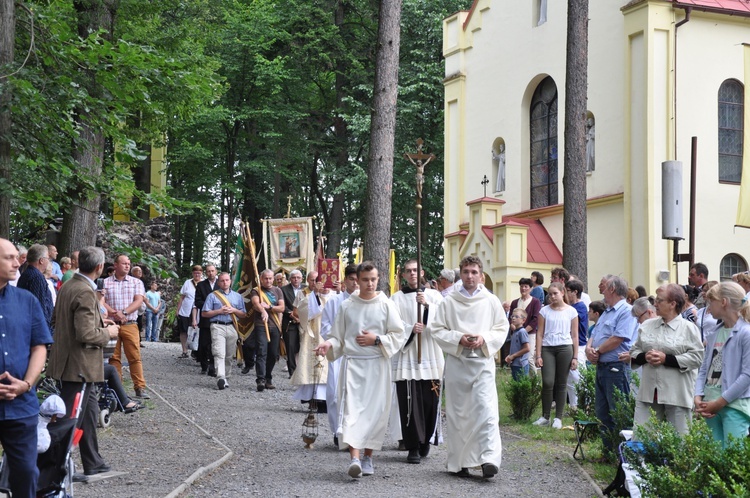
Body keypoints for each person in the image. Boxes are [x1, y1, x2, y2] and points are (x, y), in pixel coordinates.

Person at [314, 262, 405, 479]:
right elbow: (338, 336)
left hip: (377, 365)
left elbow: (398, 335)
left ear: (379, 278)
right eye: (365, 280)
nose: (370, 283)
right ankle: (354, 458)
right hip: (354, 364)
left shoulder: (386, 305)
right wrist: (328, 344)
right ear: (357, 280)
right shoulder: (348, 305)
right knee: (352, 411)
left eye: (373, 279)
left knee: (374, 413)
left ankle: (368, 457)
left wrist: (377, 339)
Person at [429, 255, 507, 479]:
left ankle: (488, 459)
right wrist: (458, 338)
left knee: (486, 411)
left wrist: (484, 338)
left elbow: (501, 328)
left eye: (474, 272)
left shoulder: (490, 301)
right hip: (457, 364)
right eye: (466, 272)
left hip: (482, 363)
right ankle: (460, 462)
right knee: (459, 415)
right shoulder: (449, 301)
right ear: (460, 274)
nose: (470, 276)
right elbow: (437, 329)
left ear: (481, 275)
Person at [48, 246, 120, 481]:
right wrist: (108, 331)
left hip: (75, 364)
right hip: (78, 366)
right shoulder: (86, 292)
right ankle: (53, 468)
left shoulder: (68, 285)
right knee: (70, 417)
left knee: (89, 412)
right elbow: (86, 334)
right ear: (99, 267)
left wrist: (100, 322)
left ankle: (93, 462)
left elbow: (60, 320)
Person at [0, 238, 53, 498]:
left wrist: (27, 383)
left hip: (21, 406)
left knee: (27, 474)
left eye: (16, 256)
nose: (17, 262)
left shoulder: (26, 301)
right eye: (8, 257)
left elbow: (39, 347)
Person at [622, 284, 704, 436]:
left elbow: (697, 357)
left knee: (681, 441)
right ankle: (641, 461)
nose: (655, 304)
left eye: (660, 301)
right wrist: (644, 357)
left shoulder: (688, 328)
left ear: (673, 304)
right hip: (649, 391)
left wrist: (666, 359)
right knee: (641, 437)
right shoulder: (647, 325)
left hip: (677, 393)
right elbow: (634, 350)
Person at [390, 259, 444, 464]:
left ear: (421, 273)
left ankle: (425, 441)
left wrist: (428, 307)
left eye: (415, 270)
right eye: (408, 271)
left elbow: (444, 321)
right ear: (403, 275)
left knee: (430, 402)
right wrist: (410, 329)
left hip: (430, 353)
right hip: (408, 356)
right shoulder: (395, 299)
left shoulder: (435, 296)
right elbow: (392, 325)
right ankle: (412, 445)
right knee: (410, 402)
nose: (412, 274)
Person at [585, 275, 638, 452]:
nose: (602, 291)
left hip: (616, 367)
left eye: (605, 287)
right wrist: (589, 349)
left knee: (618, 411)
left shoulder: (626, 311)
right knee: (602, 412)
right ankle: (607, 452)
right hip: (602, 366)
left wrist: (597, 352)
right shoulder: (607, 311)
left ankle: (621, 454)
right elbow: (595, 334)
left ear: (613, 289)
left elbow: (618, 338)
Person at [694, 282, 750, 447]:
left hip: (734, 406)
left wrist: (719, 403)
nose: (708, 308)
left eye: (711, 302)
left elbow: (747, 375)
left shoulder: (746, 333)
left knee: (733, 459)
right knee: (715, 459)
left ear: (723, 302)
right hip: (710, 404)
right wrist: (698, 396)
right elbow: (704, 369)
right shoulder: (714, 334)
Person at [320, 264, 358, 445]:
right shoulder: (335, 302)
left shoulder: (366, 301)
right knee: (335, 393)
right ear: (345, 281)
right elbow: (325, 325)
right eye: (352, 279)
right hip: (339, 352)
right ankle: (337, 430)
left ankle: (355, 432)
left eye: (359, 279)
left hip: (359, 353)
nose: (355, 283)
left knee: (355, 394)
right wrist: (338, 338)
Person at [103, 254, 149, 399]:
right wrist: (114, 313)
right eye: (124, 263)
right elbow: (101, 301)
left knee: (134, 356)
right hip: (112, 325)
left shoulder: (136, 282)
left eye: (129, 263)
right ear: (115, 265)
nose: (127, 266)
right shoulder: (105, 282)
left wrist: (123, 313)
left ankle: (140, 387)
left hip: (130, 323)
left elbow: (138, 301)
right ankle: (118, 388)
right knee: (113, 358)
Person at [534, 282, 578, 429]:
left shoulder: (571, 311)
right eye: (550, 294)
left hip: (565, 348)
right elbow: (539, 333)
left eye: (555, 293)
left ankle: (558, 417)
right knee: (547, 381)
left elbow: (575, 335)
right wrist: (538, 354)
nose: (552, 296)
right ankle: (545, 416)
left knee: (562, 382)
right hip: (547, 348)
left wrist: (575, 357)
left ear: (562, 292)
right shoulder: (544, 311)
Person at [290, 271, 330, 409]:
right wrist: (315, 295)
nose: (315, 283)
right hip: (312, 335)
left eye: (317, 280)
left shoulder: (334, 295)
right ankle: (313, 398)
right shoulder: (306, 295)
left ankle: (327, 399)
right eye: (312, 280)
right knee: (313, 365)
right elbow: (301, 311)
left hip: (329, 337)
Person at [201, 272, 247, 390]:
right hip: (217, 326)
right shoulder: (212, 296)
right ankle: (220, 377)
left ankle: (226, 376)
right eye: (222, 280)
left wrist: (233, 310)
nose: (225, 282)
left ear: (230, 281)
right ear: (218, 282)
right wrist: (219, 311)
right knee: (218, 352)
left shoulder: (237, 296)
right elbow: (205, 313)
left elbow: (243, 314)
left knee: (229, 354)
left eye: (227, 280)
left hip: (232, 327)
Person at [250, 269, 285, 391]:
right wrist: (263, 310)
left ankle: (268, 377)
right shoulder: (256, 290)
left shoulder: (278, 290)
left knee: (273, 354)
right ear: (261, 279)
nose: (268, 280)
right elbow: (256, 303)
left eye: (270, 278)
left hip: (274, 325)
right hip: (261, 325)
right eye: (266, 278)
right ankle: (260, 379)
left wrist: (269, 307)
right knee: (261, 351)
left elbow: (281, 308)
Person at [509, 278, 542, 375]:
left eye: (526, 286)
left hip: (530, 333)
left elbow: (535, 319)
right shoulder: (515, 302)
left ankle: (534, 382)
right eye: (521, 286)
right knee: (517, 357)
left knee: (529, 357)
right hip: (515, 334)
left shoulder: (535, 302)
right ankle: (520, 379)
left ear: (531, 288)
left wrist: (523, 330)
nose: (523, 288)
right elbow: (510, 317)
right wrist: (511, 325)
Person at [17, 243, 54, 330]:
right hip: (37, 329)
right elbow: (39, 307)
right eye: (47, 259)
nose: (48, 261)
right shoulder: (37, 277)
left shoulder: (25, 274)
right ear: (41, 260)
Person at [565, 279, 589, 410]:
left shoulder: (580, 307)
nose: (566, 294)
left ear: (575, 292)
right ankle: (573, 405)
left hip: (579, 344)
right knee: (570, 377)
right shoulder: (571, 307)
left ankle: (585, 403)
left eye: (568, 291)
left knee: (578, 375)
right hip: (570, 344)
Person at [193, 264, 218, 376]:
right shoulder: (201, 285)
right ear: (206, 273)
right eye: (208, 271)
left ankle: (213, 367)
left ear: (216, 271)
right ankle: (204, 365)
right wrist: (209, 306)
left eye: (212, 271)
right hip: (205, 318)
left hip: (218, 318)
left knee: (215, 344)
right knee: (203, 344)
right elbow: (197, 301)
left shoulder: (221, 284)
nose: (210, 273)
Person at [279, 269, 304, 378]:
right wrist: (291, 314)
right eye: (294, 277)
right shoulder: (283, 290)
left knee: (302, 346)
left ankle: (302, 370)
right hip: (290, 322)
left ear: (302, 279)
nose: (296, 279)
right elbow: (282, 306)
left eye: (298, 277)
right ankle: (292, 372)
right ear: (290, 279)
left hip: (304, 322)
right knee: (290, 347)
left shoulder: (306, 289)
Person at [176, 265, 203, 358]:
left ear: (201, 273)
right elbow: (182, 297)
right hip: (186, 310)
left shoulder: (204, 283)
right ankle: (184, 350)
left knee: (197, 330)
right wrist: (178, 309)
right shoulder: (187, 282)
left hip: (198, 311)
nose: (197, 275)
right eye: (195, 273)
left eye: (199, 273)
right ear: (192, 273)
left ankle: (195, 350)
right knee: (184, 330)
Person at [505, 309, 531, 380]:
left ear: (523, 320)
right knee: (516, 386)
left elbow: (527, 348)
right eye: (512, 316)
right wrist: (510, 355)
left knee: (521, 386)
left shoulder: (522, 332)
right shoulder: (515, 332)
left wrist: (513, 356)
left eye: (516, 316)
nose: (513, 318)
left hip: (521, 365)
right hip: (515, 364)